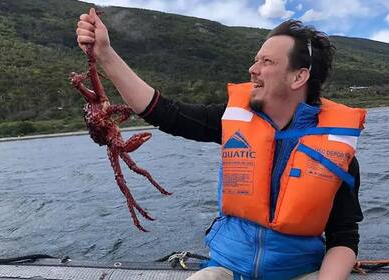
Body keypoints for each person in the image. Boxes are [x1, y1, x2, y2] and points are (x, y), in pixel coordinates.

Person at [76, 8, 365, 280]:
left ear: (299, 77)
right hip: (228, 270)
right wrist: (105, 53)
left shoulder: (338, 154)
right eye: (256, 59)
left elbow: (344, 238)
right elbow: (164, 112)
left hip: (300, 272)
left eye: (267, 62)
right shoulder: (230, 120)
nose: (252, 69)